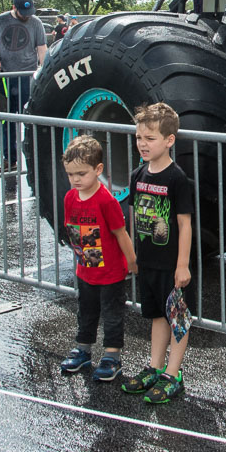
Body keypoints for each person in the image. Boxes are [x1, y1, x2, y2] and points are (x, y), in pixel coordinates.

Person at [119, 102, 194, 404]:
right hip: (148, 260)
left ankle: (173, 373)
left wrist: (183, 265)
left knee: (177, 318)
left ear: (169, 140)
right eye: (139, 138)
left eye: (150, 139)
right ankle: (154, 366)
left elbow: (185, 225)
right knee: (156, 316)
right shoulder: (138, 175)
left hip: (172, 264)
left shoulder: (177, 179)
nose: (143, 144)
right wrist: (134, 256)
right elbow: (136, 217)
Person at [58, 134, 137, 382]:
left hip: (111, 273)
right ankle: (83, 349)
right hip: (86, 270)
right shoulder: (70, 197)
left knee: (112, 315)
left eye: (81, 174)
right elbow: (71, 228)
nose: (76, 180)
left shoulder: (106, 201)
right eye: (71, 175)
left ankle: (112, 356)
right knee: (86, 311)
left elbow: (120, 233)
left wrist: (132, 261)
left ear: (98, 169)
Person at [0, 0, 48, 172]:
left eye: (29, 12)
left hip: (27, 76)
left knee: (30, 119)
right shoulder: (1, 20)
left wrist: (43, 70)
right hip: (5, 76)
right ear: (14, 8)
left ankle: (35, 160)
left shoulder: (36, 23)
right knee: (7, 119)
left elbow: (42, 48)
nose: (26, 16)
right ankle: (9, 159)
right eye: (23, 13)